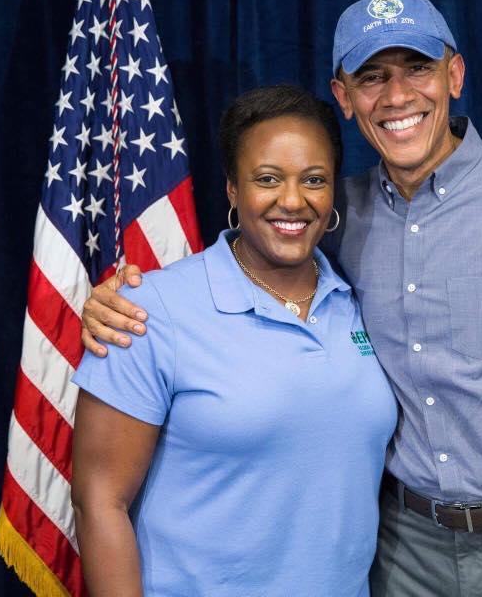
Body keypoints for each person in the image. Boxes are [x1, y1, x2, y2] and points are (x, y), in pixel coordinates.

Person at [81, 0, 482, 596]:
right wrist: (117, 299)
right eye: (372, 77)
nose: (396, 96)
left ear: (456, 75)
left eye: (417, 68)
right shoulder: (337, 217)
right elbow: (249, 265)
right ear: (344, 98)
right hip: (404, 554)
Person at [70, 85, 397, 596]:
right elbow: (99, 499)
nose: (292, 200)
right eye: (267, 179)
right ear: (231, 189)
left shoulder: (357, 297)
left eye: (314, 180)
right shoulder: (149, 311)